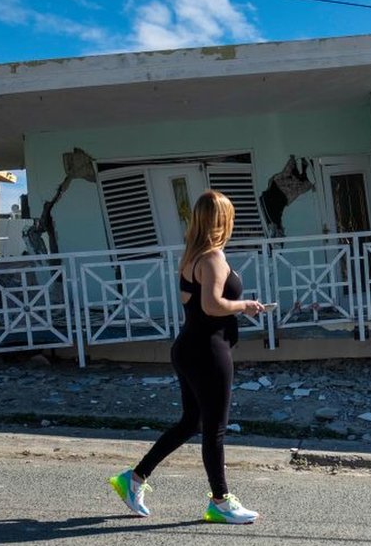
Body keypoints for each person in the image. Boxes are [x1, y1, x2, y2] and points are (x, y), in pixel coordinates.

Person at [108, 190, 265, 524]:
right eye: (231, 216)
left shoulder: (192, 257)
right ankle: (220, 502)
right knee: (214, 429)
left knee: (191, 422)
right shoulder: (212, 258)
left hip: (189, 347)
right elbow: (211, 306)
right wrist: (245, 305)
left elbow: (199, 306)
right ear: (223, 220)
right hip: (208, 351)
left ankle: (133, 479)